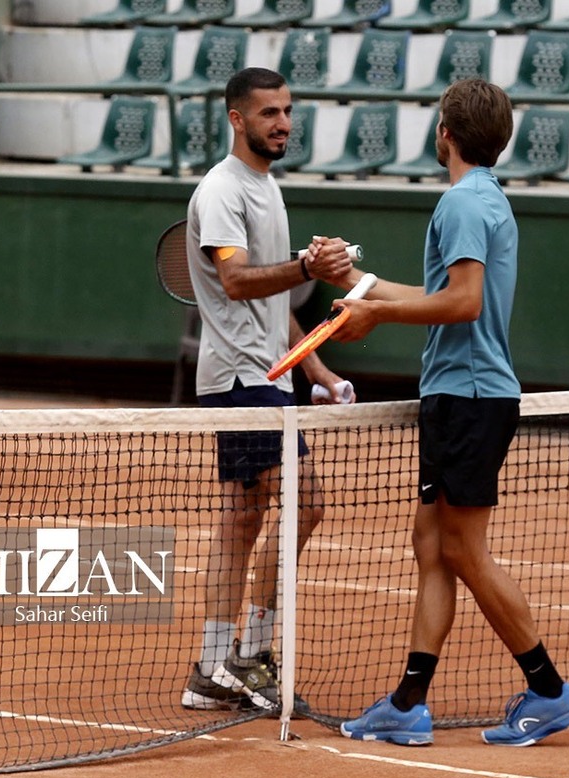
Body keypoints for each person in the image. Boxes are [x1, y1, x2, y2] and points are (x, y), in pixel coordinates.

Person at [307, 78, 569, 747]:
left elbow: (460, 302)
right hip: (460, 395)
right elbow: (442, 293)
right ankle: (408, 702)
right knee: (432, 544)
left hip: (468, 397)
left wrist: (375, 312)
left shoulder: (463, 203)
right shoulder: (482, 199)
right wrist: (357, 286)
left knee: (462, 547)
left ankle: (548, 688)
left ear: (445, 134)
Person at [179, 67, 356, 715]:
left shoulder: (266, 186)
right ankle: (241, 657)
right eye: (268, 113)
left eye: (287, 111)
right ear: (236, 119)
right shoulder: (223, 191)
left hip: (268, 376)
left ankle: (218, 664)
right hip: (238, 378)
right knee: (300, 505)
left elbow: (274, 295)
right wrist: (309, 265)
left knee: (243, 517)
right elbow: (236, 283)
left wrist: (319, 370)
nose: (282, 122)